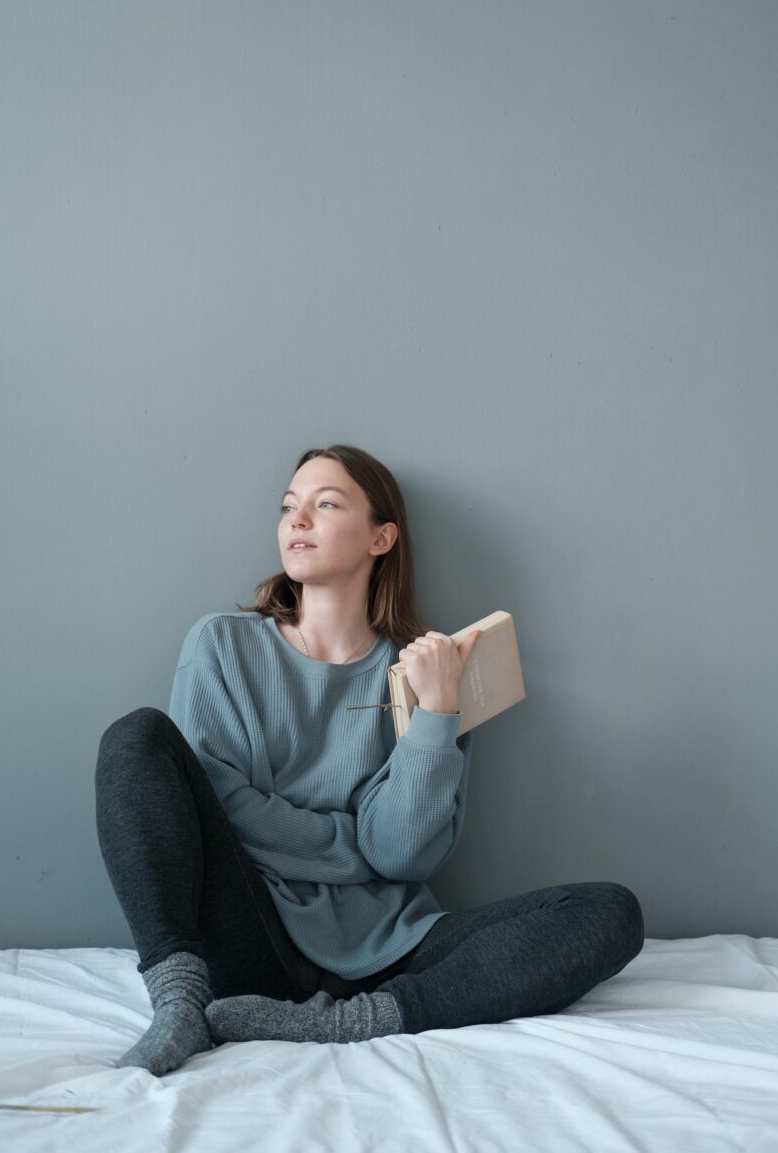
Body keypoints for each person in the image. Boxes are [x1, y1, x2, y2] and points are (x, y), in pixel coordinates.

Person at [95, 443, 645, 1077]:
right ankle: (179, 1007)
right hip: (251, 935)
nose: (296, 521)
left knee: (609, 911)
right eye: (288, 507)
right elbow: (223, 808)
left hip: (393, 949)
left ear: (381, 537)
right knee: (136, 738)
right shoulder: (220, 645)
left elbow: (402, 856)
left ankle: (352, 1023)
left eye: (325, 504)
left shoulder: (428, 670)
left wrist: (436, 715)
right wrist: (352, 842)